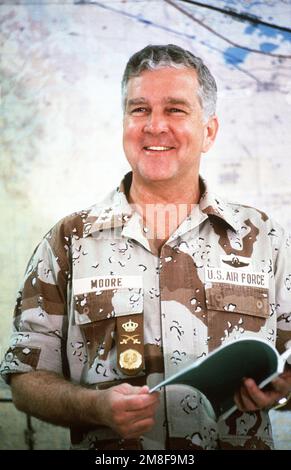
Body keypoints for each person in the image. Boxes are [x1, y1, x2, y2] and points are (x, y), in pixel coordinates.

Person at [1, 44, 291, 450]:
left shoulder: (264, 238)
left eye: (175, 109)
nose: (155, 126)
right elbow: (25, 380)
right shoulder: (67, 241)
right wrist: (94, 407)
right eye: (140, 109)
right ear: (124, 122)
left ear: (209, 131)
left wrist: (280, 387)